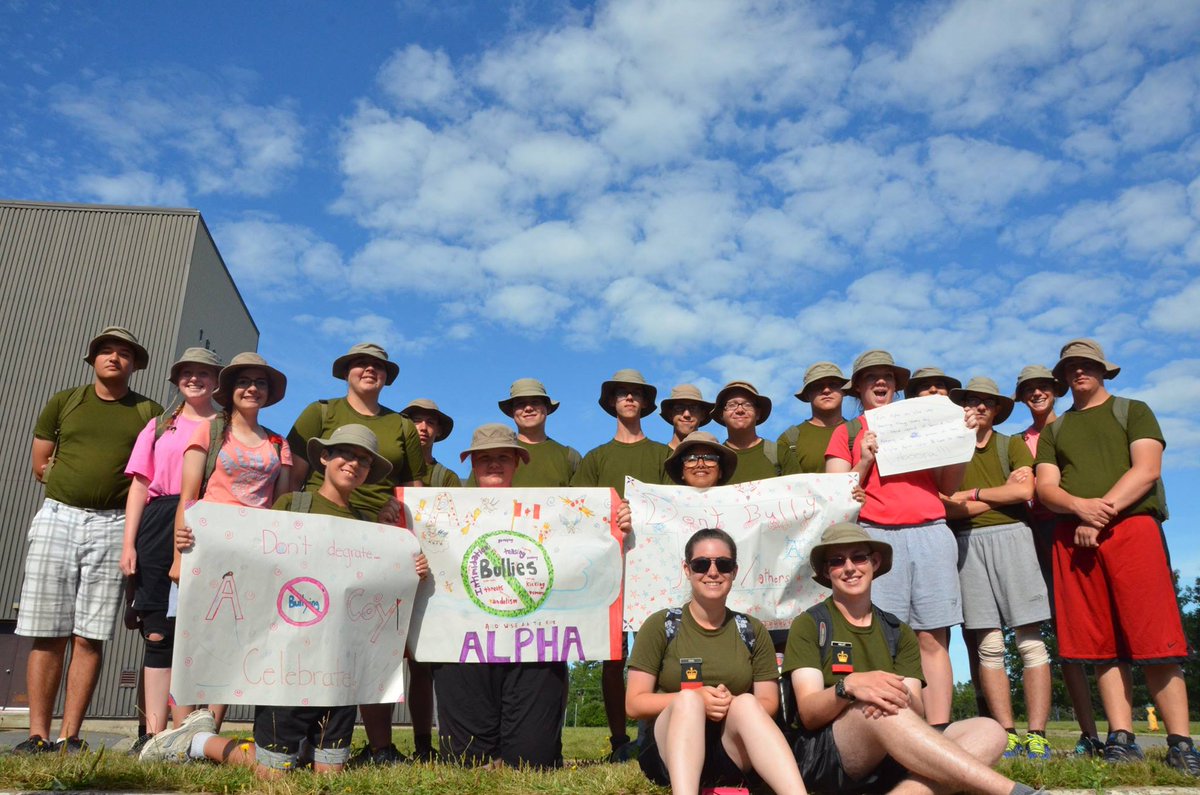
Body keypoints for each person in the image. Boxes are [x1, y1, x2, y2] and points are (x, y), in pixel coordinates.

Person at [143, 425, 428, 777]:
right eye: (346, 454)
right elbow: (249, 555)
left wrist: (411, 564)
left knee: (328, 775)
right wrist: (196, 540)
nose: (354, 464)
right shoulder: (293, 504)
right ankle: (197, 741)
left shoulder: (366, 527)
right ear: (324, 457)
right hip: (283, 667)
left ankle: (294, 747)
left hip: (338, 675)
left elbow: (382, 588)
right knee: (274, 774)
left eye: (364, 461)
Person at [784, 522, 1046, 795]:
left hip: (893, 750)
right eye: (837, 561)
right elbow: (809, 713)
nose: (850, 567)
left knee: (991, 731)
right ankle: (1012, 791)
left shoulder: (898, 631)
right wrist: (849, 687)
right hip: (828, 755)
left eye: (858, 556)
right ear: (827, 571)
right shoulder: (810, 624)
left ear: (874, 562)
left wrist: (889, 692)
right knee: (881, 707)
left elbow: (917, 709)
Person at [1035, 339, 1198, 775]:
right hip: (1075, 537)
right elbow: (1047, 488)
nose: (1079, 373)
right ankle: (1120, 737)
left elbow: (1147, 469)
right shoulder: (1055, 430)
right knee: (1100, 641)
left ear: (1103, 369)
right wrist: (1078, 509)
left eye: (1087, 365)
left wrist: (1097, 512)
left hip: (1132, 529)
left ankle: (1181, 742)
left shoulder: (1133, 409)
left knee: (1155, 634)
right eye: (1070, 368)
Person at [13, 327, 162, 754]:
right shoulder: (65, 401)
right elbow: (40, 462)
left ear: (134, 365)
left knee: (89, 634)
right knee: (47, 630)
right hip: (59, 516)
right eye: (106, 352)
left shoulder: (147, 412)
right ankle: (37, 734)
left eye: (124, 354)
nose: (115, 358)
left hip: (114, 525)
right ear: (93, 359)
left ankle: (70, 736)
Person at [286, 342, 426, 764]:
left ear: (387, 377)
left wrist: (404, 524)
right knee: (306, 625)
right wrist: (283, 525)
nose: (370, 370)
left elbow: (415, 488)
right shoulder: (321, 412)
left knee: (369, 636)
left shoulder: (400, 425)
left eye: (379, 366)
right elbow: (292, 473)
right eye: (361, 364)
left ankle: (380, 745)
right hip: (318, 529)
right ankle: (296, 734)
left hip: (375, 537)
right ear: (346, 371)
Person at [825, 350, 972, 727]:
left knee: (934, 637)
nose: (880, 382)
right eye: (871, 377)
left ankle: (938, 730)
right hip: (874, 538)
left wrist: (962, 439)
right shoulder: (847, 431)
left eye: (887, 377)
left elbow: (949, 485)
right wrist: (864, 460)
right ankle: (892, 728)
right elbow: (836, 492)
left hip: (930, 532)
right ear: (857, 387)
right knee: (883, 637)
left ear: (896, 385)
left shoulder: (923, 423)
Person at [627, 528, 806, 795]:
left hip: (730, 752)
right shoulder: (660, 625)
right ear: (687, 569)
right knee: (688, 700)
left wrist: (727, 703)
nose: (713, 572)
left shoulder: (752, 630)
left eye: (723, 564)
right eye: (701, 564)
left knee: (746, 702)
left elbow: (769, 703)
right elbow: (634, 703)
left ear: (734, 571)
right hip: (669, 753)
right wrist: (698, 698)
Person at [430, 424, 568, 769]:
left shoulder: (548, 512)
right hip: (465, 642)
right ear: (472, 464)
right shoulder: (440, 511)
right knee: (465, 760)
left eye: (503, 457)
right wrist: (396, 520)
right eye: (484, 458)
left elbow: (584, 549)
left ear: (517, 462)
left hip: (532, 643)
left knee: (533, 761)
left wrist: (614, 523)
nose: (494, 464)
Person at [170, 351, 291, 731]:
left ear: (268, 393)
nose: (252, 388)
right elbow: (188, 495)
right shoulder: (208, 431)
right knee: (193, 636)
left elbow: (283, 505)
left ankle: (209, 730)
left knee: (234, 640)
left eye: (260, 383)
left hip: (255, 551)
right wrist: (178, 556)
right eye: (244, 382)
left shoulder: (277, 443)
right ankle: (179, 732)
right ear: (231, 390)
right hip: (207, 546)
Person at [944, 377, 1052, 759]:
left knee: (1029, 640)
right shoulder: (950, 450)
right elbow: (944, 504)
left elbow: (1024, 492)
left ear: (996, 409)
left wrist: (972, 495)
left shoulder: (1011, 445)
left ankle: (1036, 733)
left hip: (1014, 538)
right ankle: (1005, 733)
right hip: (965, 543)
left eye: (986, 402)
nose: (978, 408)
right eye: (971, 401)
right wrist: (996, 495)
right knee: (988, 645)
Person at [120, 347, 222, 746]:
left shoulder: (225, 426)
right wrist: (128, 544)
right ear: (177, 378)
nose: (194, 379)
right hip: (159, 520)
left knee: (203, 629)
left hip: (207, 523)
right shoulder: (160, 425)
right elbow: (139, 485)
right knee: (158, 631)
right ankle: (153, 735)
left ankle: (198, 733)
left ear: (217, 381)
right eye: (187, 373)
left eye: (204, 373)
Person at [572, 368, 671, 760]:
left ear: (646, 403)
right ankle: (618, 741)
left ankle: (655, 733)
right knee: (613, 656)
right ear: (612, 403)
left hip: (656, 565)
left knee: (662, 650)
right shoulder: (596, 458)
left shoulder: (663, 454)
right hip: (609, 567)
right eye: (622, 394)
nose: (629, 399)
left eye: (636, 394)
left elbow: (676, 507)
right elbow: (578, 511)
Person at [1015, 363, 1101, 757]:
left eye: (1043, 387)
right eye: (1029, 389)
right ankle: (1059, 732)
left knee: (1085, 628)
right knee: (1050, 633)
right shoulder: (1018, 440)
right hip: (1032, 532)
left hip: (1071, 527)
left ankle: (1103, 730)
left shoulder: (1072, 426)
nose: (1036, 393)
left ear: (1056, 389)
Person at [499, 378, 580, 487]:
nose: (528, 408)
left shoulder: (570, 457)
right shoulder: (495, 454)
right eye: (520, 403)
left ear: (547, 408)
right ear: (512, 412)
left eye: (535, 402)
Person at [778, 362, 847, 476]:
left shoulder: (861, 431)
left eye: (833, 384)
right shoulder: (789, 439)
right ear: (807, 394)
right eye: (818, 386)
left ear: (843, 390)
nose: (826, 390)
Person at [711, 381, 780, 484]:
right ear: (722, 414)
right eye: (732, 405)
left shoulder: (779, 453)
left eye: (747, 404)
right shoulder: (714, 460)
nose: (740, 410)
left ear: (758, 413)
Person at [401, 398, 461, 488]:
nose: (423, 427)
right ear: (404, 426)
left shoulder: (447, 478)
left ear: (439, 430)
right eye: (417, 421)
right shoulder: (389, 469)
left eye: (430, 422)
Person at [663, 431, 737, 490]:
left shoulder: (737, 506)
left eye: (709, 458)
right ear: (681, 472)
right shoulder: (664, 507)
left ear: (720, 472)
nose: (700, 464)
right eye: (691, 459)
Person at [659, 384, 715, 451]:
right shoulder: (657, 455)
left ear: (702, 415)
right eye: (679, 408)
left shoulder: (711, 458)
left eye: (693, 408)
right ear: (670, 414)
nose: (686, 414)